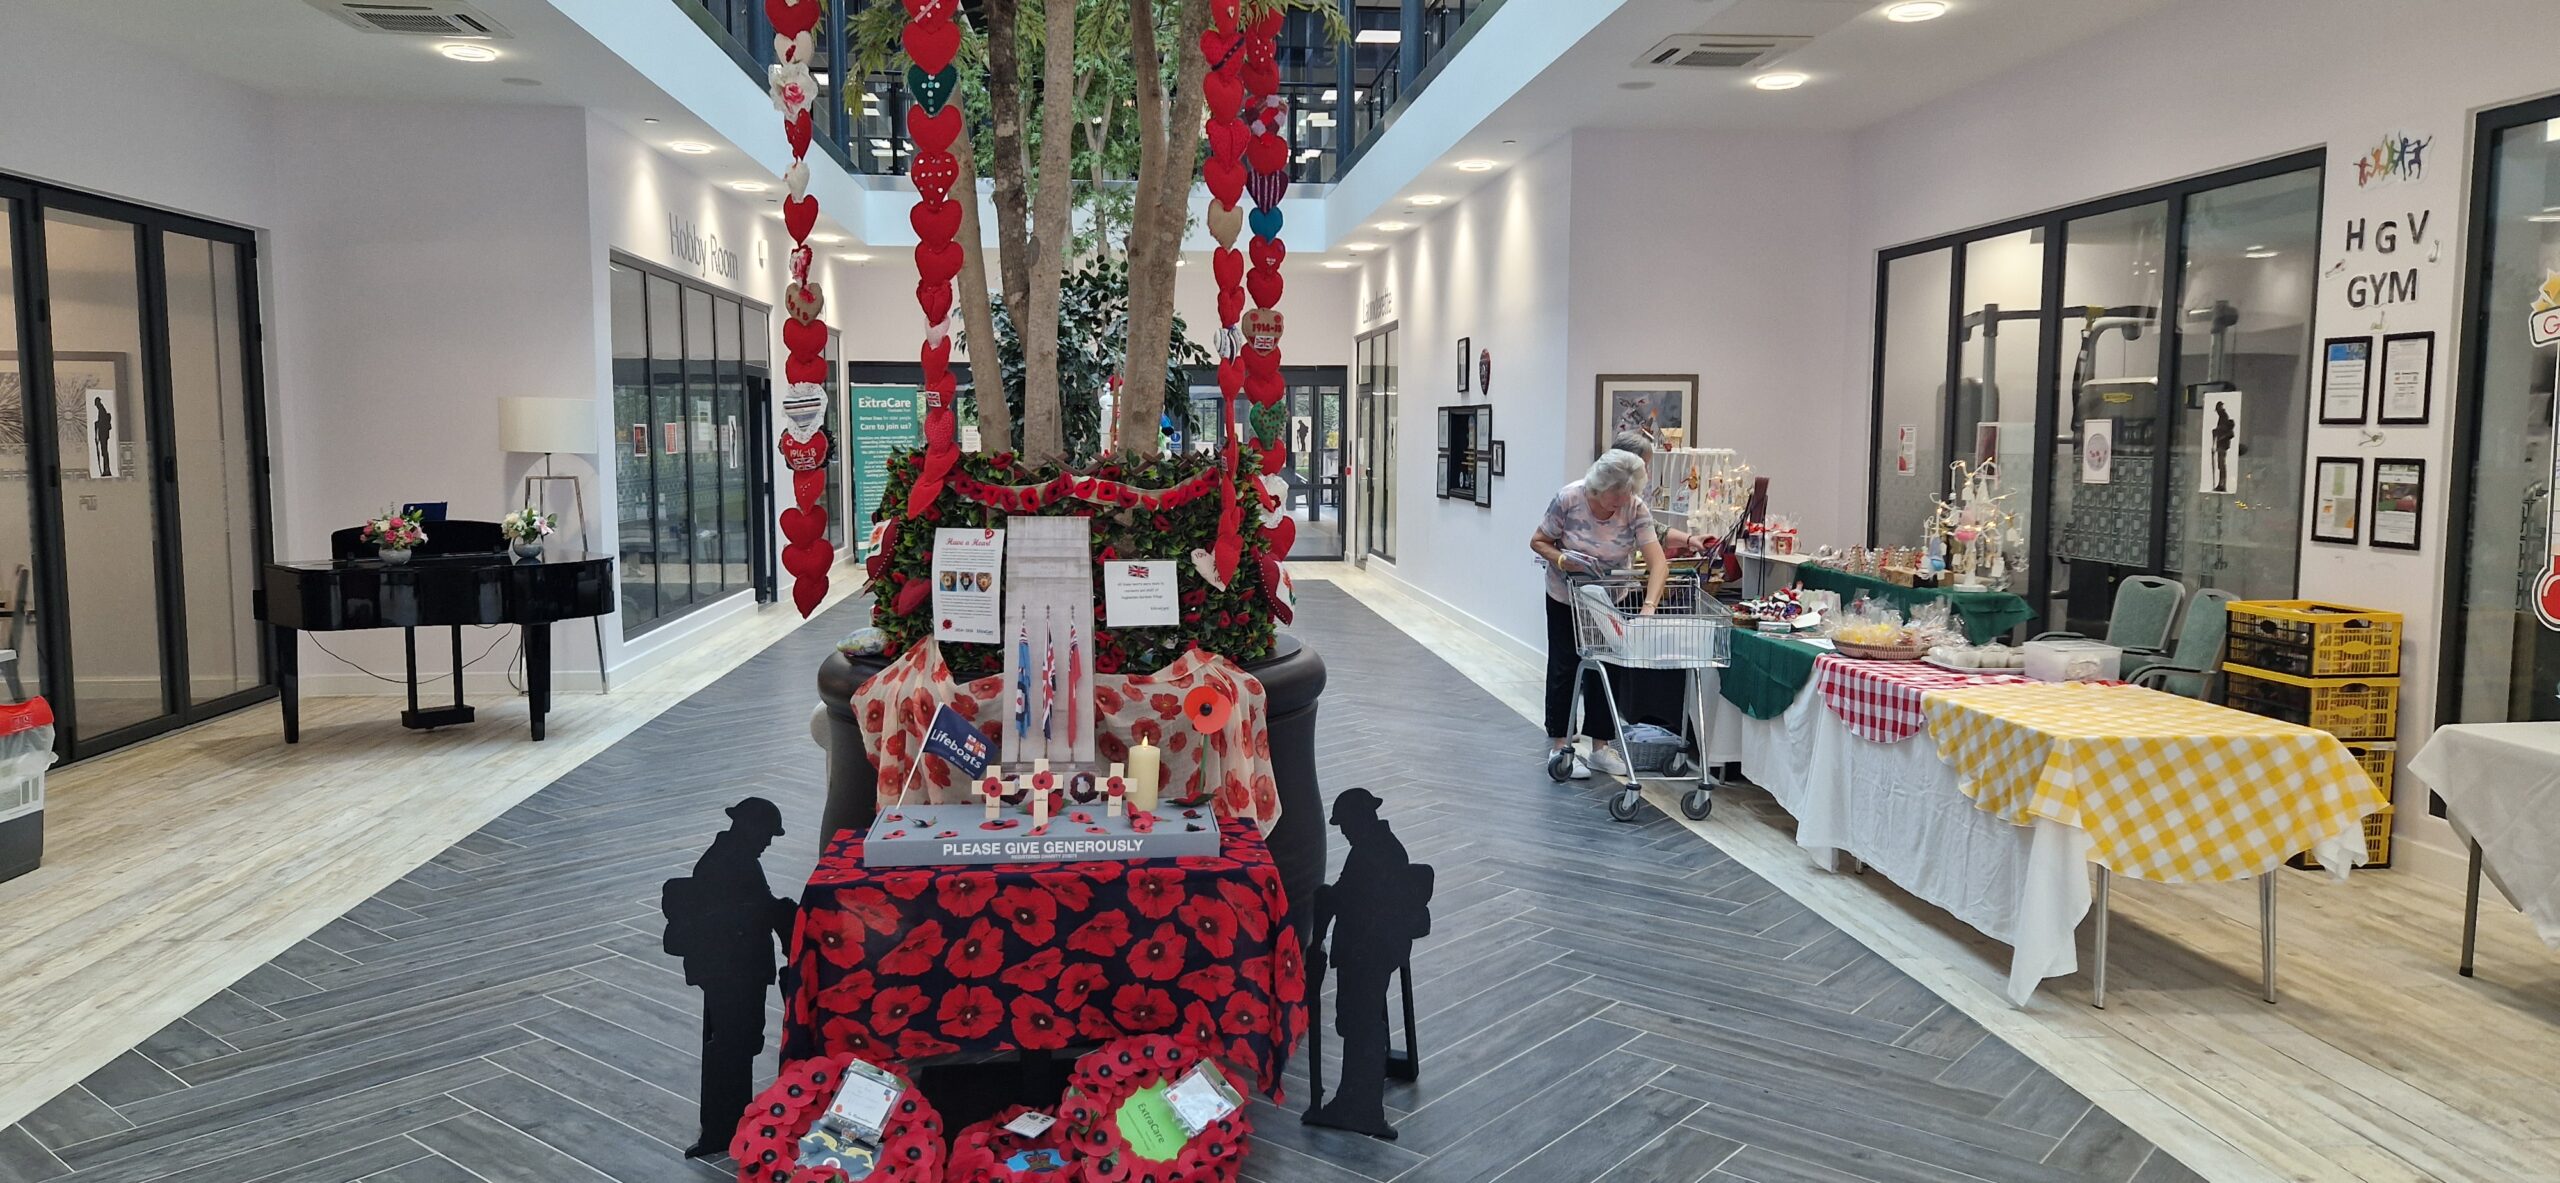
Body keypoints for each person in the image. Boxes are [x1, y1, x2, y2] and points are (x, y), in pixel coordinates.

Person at [662, 797, 798, 1158]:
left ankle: (729, 1122)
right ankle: (725, 1126)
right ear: (749, 828)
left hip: (728, 969)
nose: (768, 842)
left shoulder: (732, 857)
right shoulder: (734, 863)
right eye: (767, 834)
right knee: (733, 1047)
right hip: (734, 970)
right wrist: (787, 916)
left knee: (731, 1044)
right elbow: (756, 910)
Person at [1529, 450, 1667, 777]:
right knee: (1565, 667)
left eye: (1625, 497)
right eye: (1612, 499)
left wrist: (1649, 607)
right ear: (1596, 488)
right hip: (1566, 596)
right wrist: (1563, 560)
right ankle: (1561, 746)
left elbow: (1658, 562)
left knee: (1607, 668)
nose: (1618, 505)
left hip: (1610, 600)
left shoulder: (1634, 508)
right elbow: (1539, 541)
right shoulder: (1568, 499)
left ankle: (1601, 748)